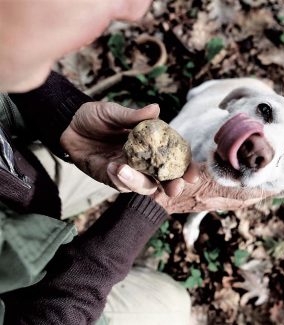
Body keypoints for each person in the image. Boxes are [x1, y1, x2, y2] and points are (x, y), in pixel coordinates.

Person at [0, 1, 267, 324]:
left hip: (19, 193)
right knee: (171, 306)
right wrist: (137, 221)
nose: (135, 11)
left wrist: (62, 115)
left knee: (122, 168)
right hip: (22, 299)